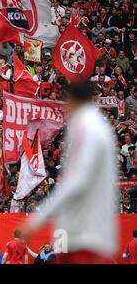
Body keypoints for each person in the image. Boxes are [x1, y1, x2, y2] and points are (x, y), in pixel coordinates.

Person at [22, 82, 118, 264]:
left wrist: (37, 219)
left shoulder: (86, 127)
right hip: (83, 229)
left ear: (73, 100)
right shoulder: (96, 127)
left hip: (82, 232)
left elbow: (77, 180)